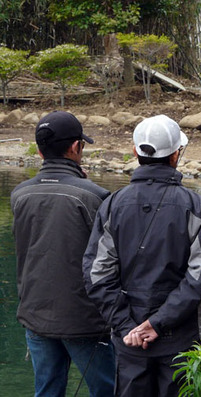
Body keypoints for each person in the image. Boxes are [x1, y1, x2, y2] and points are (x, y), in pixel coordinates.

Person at [83, 114, 201, 397]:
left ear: (135, 152)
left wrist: (126, 326)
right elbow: (200, 274)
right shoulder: (194, 205)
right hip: (183, 338)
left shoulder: (112, 205)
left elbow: (97, 275)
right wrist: (158, 323)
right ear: (175, 155)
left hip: (129, 340)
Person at [10, 111, 115, 396]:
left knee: (46, 390)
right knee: (108, 390)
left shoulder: (18, 194)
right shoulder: (96, 196)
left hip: (35, 316)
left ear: (40, 150)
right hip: (86, 322)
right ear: (75, 148)